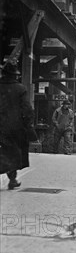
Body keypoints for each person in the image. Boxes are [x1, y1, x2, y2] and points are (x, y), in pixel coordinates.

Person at [0, 61, 35, 190]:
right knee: (14, 153)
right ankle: (12, 179)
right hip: (14, 127)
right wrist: (28, 125)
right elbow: (27, 109)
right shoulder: (20, 89)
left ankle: (12, 179)